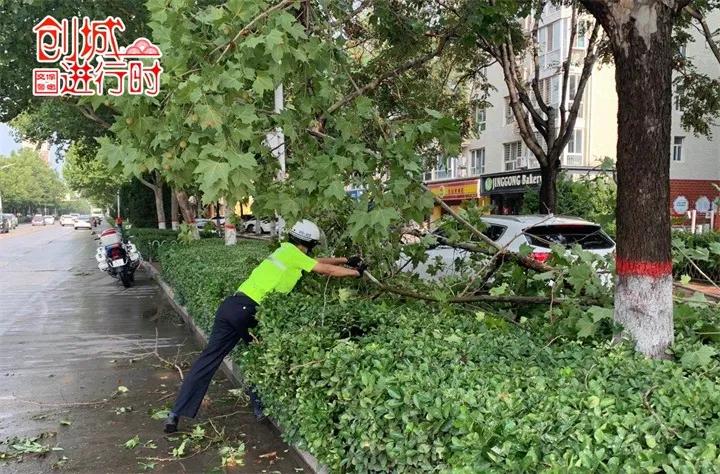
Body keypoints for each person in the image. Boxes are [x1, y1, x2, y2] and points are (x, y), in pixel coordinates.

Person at [164, 219, 365, 433]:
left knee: (208, 359)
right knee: (261, 359)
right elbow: (325, 269)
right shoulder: (293, 255)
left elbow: (317, 261)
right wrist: (356, 273)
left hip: (231, 306)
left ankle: (174, 414)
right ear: (311, 243)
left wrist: (346, 260)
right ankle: (259, 405)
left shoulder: (286, 252)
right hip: (249, 311)